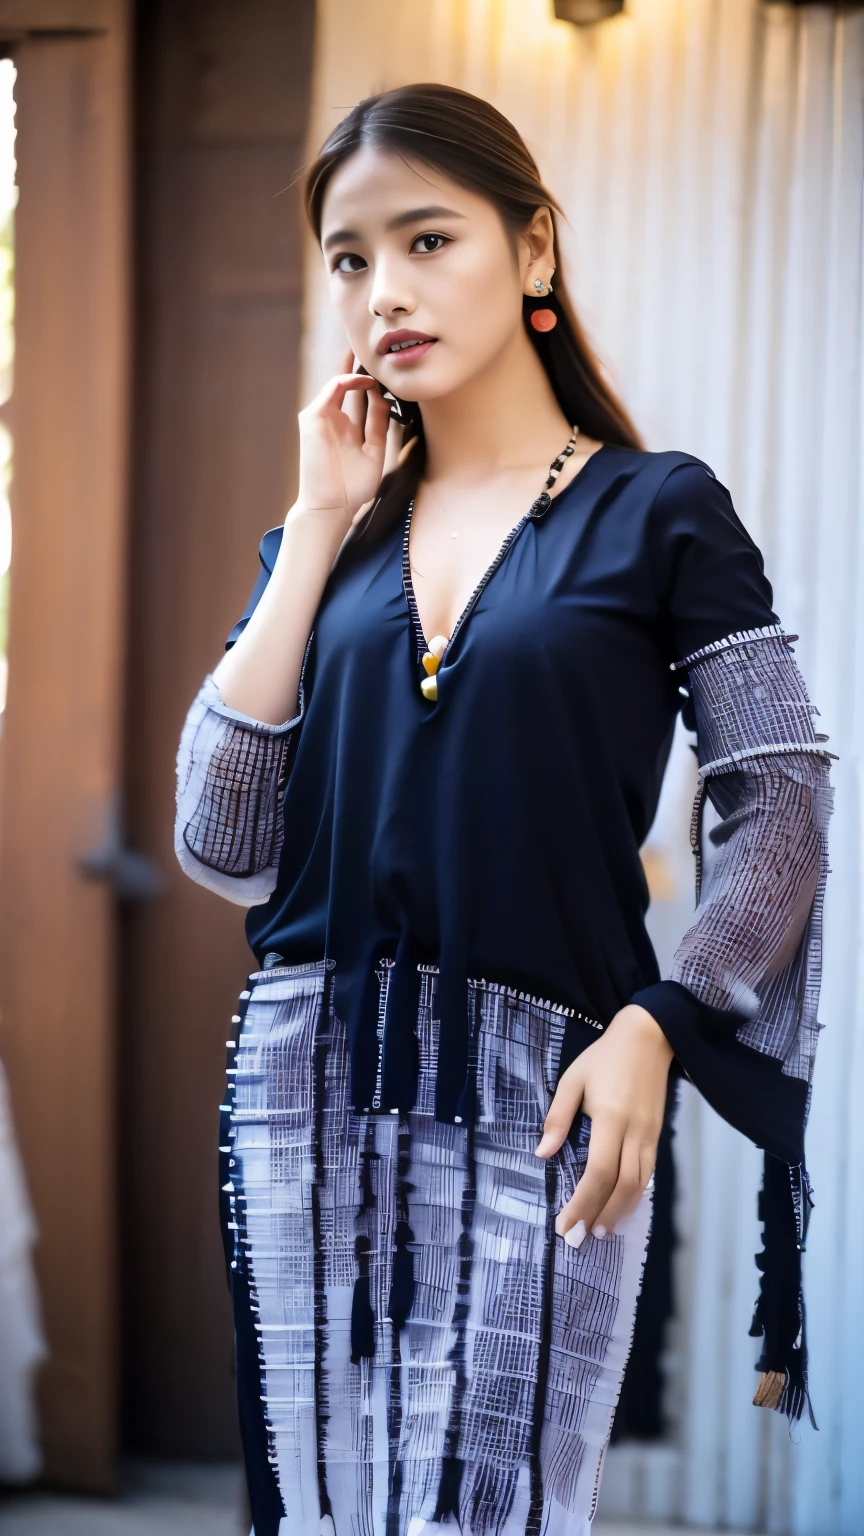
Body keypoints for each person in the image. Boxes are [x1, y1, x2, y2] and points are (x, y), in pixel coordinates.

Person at [174, 83, 834, 1536]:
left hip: (545, 1091)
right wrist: (319, 528)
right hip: (302, 1076)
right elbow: (223, 842)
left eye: (426, 239)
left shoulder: (661, 510)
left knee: (497, 1512)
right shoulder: (324, 537)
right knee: (322, 1514)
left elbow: (779, 798)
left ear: (535, 251)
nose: (384, 291)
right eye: (350, 259)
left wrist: (661, 1021)